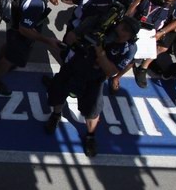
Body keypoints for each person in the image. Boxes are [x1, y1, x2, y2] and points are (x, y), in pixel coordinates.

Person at [44, 16, 139, 157]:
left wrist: (99, 50)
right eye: (122, 27)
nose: (122, 32)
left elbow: (111, 71)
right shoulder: (98, 28)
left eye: (127, 32)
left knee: (92, 111)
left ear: (131, 36)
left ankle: (90, 136)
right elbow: (70, 38)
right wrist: (83, 37)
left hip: (94, 80)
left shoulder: (129, 48)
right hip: (73, 68)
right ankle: (56, 115)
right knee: (57, 94)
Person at [0, 0, 67, 96]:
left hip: (15, 21)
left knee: (8, 48)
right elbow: (24, 29)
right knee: (10, 58)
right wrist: (48, 40)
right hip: (20, 31)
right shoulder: (36, 2)